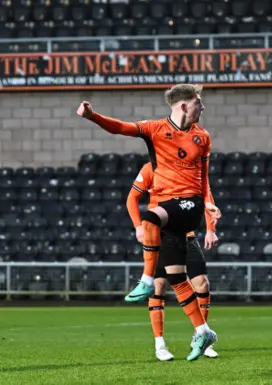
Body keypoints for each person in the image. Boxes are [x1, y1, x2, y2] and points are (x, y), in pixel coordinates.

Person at [77, 83, 217, 360]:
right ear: (184, 105)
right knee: (177, 278)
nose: (204, 107)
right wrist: (93, 116)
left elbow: (204, 176)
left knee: (150, 216)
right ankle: (203, 332)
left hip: (188, 204)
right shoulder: (155, 130)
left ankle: (145, 279)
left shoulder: (203, 137)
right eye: (199, 102)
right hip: (170, 212)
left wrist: (208, 206)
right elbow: (120, 127)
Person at [127, 162, 220, 361]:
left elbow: (205, 195)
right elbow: (132, 198)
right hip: (161, 234)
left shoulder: (187, 167)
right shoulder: (150, 168)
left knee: (201, 283)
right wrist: (138, 227)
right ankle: (160, 344)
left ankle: (202, 335)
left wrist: (211, 228)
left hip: (185, 234)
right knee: (159, 286)